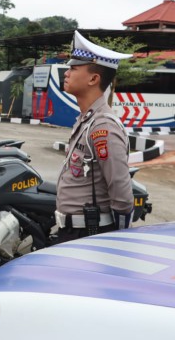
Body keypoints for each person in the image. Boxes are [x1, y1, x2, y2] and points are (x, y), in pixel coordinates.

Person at [55, 31, 134, 242]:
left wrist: (119, 242)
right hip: (73, 232)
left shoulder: (104, 127)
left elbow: (122, 197)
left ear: (93, 78)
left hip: (89, 235)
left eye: (73, 68)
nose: (66, 73)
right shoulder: (86, 119)